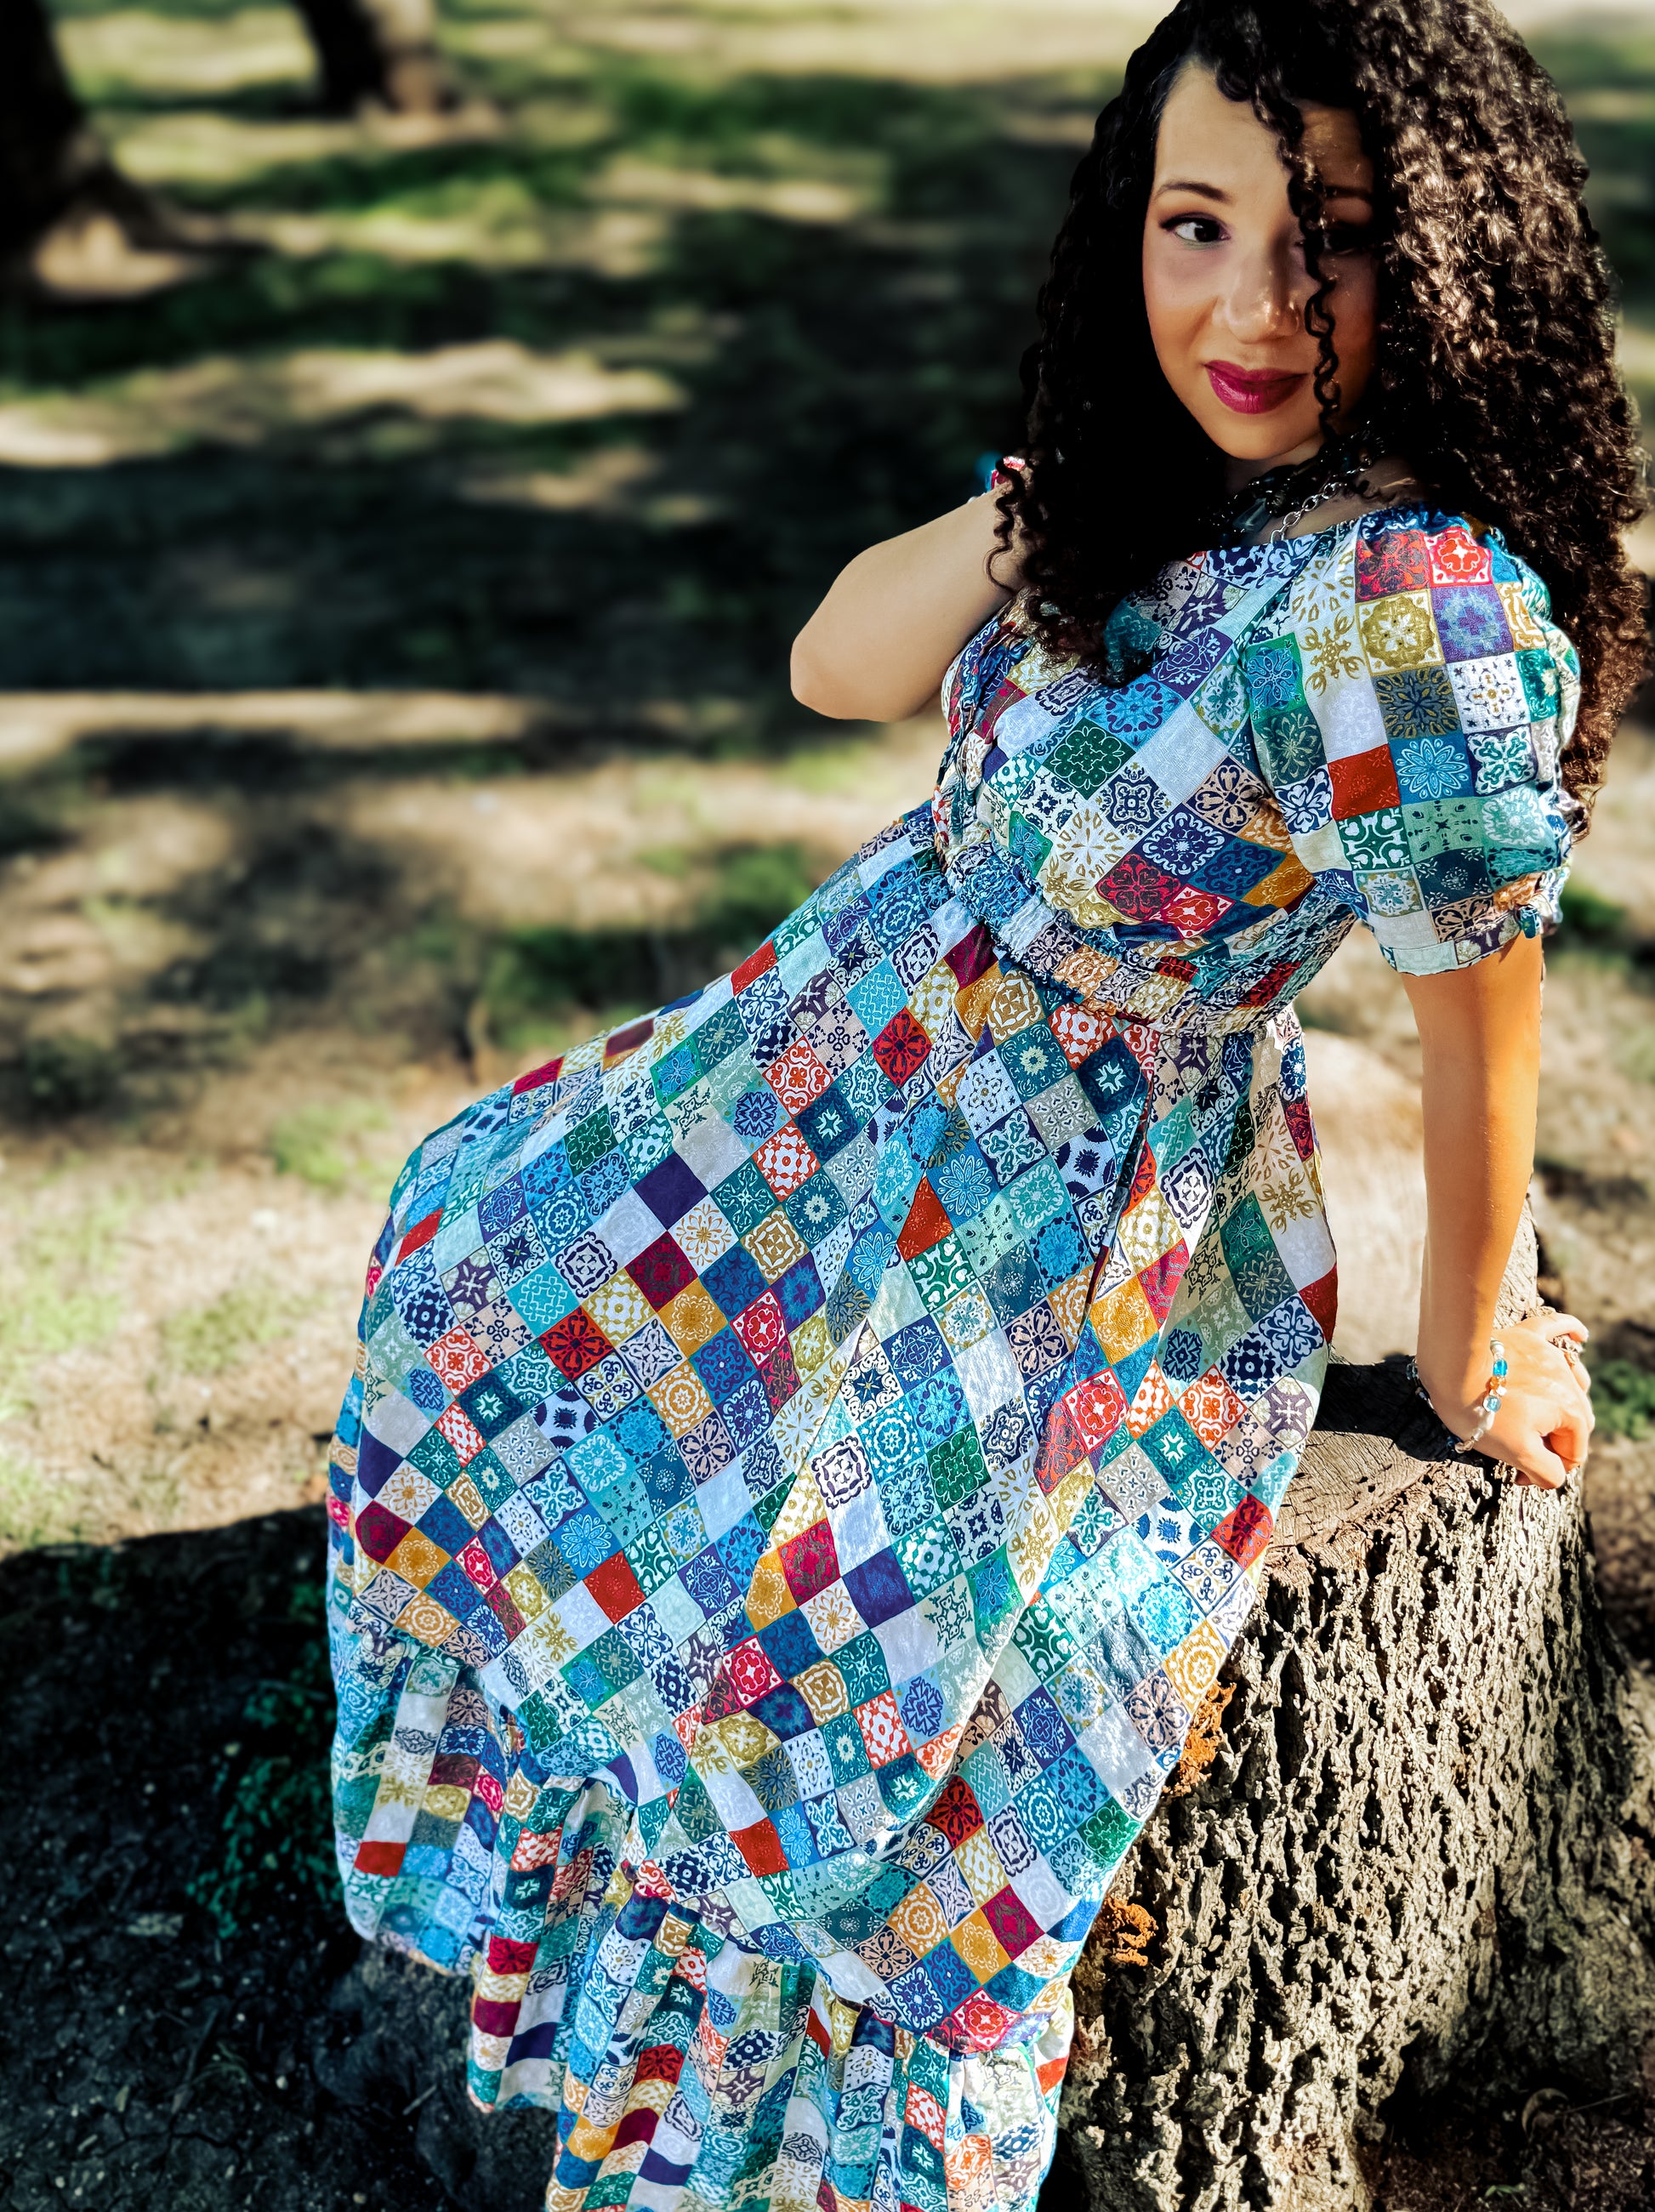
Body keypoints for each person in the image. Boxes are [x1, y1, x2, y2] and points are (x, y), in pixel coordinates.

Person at [324, 4, 1646, 2209]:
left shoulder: (1402, 611)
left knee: (837, 1708)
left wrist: (1468, 1340)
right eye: (1188, 224)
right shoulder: (1146, 486)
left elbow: (1473, 1013)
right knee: (471, 1274)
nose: (1242, 303)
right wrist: (1056, 478)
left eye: (1322, 238)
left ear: (1442, 256)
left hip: (1056, 1208)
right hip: (834, 1064)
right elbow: (834, 666)